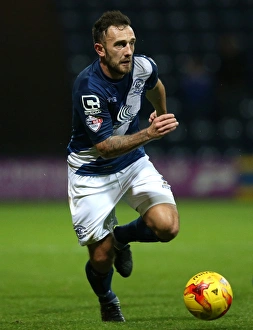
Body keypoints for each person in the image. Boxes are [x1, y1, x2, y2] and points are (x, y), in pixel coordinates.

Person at [67, 10, 180, 322]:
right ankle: (107, 298)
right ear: (100, 49)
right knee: (101, 258)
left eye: (131, 43)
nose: (128, 50)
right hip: (92, 171)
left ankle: (121, 237)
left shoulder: (142, 65)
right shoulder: (89, 86)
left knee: (167, 227)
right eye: (119, 45)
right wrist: (149, 132)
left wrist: (161, 111)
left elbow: (155, 85)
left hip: (132, 161)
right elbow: (103, 148)